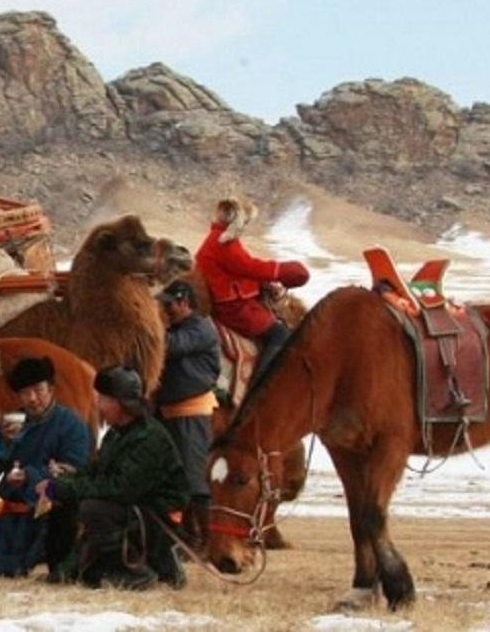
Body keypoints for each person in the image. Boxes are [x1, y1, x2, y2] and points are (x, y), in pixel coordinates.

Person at [37, 366, 190, 590]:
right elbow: (97, 473)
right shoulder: (117, 433)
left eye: (103, 399)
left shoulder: (149, 438)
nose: (98, 406)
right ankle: (72, 569)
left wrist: (63, 489)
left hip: (158, 517)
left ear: (120, 403)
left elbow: (120, 489)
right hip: (132, 509)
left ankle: (135, 573)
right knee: (79, 502)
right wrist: (61, 481)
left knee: (93, 508)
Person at [0, 356, 92, 578]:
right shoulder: (14, 423)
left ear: (51, 389)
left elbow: (77, 469)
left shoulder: (72, 424)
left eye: (39, 390)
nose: (33, 399)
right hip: (15, 511)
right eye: (26, 393)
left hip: (52, 508)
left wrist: (30, 475)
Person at [195, 197, 310, 381]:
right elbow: (249, 266)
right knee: (280, 334)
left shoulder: (219, 239)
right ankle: (261, 385)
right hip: (234, 309)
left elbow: (238, 272)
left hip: (233, 304)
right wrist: (283, 271)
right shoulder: (224, 243)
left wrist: (262, 283)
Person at [154, 279, 221, 555]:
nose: (166, 309)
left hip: (192, 412)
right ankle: (187, 536)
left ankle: (205, 539)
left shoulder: (201, 328)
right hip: (171, 413)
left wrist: (147, 328)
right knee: (177, 477)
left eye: (169, 304)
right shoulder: (182, 328)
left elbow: (172, 346)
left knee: (195, 479)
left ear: (184, 302)